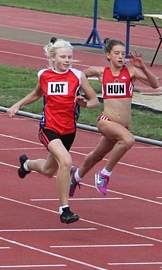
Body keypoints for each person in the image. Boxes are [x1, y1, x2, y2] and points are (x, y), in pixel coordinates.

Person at [7, 38, 99, 224]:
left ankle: (27, 164)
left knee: (49, 170)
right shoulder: (44, 75)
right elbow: (36, 94)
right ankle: (64, 210)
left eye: (70, 57)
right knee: (66, 162)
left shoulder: (77, 76)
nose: (67, 60)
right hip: (48, 128)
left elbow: (95, 101)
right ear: (53, 58)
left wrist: (85, 104)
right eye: (63, 57)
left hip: (69, 130)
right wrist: (18, 104)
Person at [70, 40, 159, 198]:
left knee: (97, 156)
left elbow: (155, 84)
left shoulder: (131, 72)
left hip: (121, 126)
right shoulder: (101, 72)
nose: (120, 57)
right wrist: (84, 92)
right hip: (106, 121)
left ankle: (76, 177)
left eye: (122, 54)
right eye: (116, 53)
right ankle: (104, 174)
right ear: (108, 55)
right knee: (128, 140)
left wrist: (142, 66)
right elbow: (79, 75)